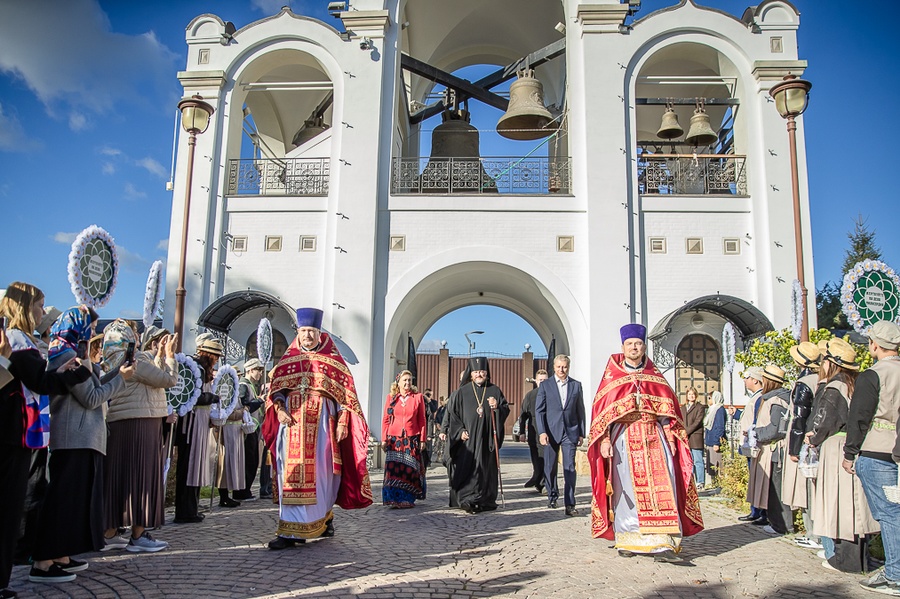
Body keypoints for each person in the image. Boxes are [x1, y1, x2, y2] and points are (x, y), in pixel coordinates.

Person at [0, 285, 92, 599]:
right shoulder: (15, 340)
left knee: (18, 505)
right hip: (14, 432)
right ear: (25, 307)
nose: (43, 311)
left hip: (26, 432)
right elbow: (39, 381)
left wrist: (66, 372)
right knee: (10, 507)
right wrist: (75, 374)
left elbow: (39, 380)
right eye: (39, 305)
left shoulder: (23, 341)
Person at [29, 308, 134, 583]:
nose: (92, 331)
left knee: (74, 501)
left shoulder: (78, 355)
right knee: (62, 501)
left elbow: (97, 386)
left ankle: (60, 553)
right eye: (90, 325)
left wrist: (119, 371)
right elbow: (91, 398)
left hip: (85, 438)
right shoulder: (65, 356)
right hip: (72, 439)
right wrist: (121, 380)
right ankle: (42, 561)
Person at [588, 323, 703, 563]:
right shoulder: (613, 375)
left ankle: (663, 542)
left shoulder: (654, 376)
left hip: (654, 436)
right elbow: (602, 413)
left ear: (644, 347)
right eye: (630, 344)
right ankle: (628, 538)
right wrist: (605, 440)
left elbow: (668, 410)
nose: (634, 347)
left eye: (638, 344)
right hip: (624, 439)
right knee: (625, 489)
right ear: (623, 347)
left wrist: (671, 435)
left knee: (663, 486)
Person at [261, 308, 372, 549]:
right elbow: (276, 390)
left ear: (319, 333)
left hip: (322, 429)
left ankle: (324, 519)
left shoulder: (333, 362)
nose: (307, 336)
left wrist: (343, 421)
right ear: (298, 333)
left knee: (323, 478)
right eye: (303, 331)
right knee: (290, 474)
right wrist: (279, 409)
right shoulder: (287, 360)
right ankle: (289, 532)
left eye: (311, 331)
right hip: (291, 426)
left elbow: (346, 396)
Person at [103, 323, 178, 552]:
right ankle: (138, 534)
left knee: (121, 477)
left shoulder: (112, 360)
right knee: (142, 477)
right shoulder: (136, 360)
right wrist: (170, 356)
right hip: (141, 422)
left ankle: (110, 532)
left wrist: (159, 356)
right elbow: (168, 380)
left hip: (121, 422)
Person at [806, 338, 878, 573]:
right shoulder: (855, 383)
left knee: (841, 502)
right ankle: (860, 556)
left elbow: (824, 421)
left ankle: (846, 560)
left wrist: (812, 437)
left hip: (837, 447)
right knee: (854, 501)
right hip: (854, 443)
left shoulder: (835, 388)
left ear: (830, 363)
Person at [843, 321, 900, 596]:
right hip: (896, 449)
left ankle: (896, 574)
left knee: (889, 514)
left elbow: (860, 418)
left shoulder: (873, 375)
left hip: (878, 449)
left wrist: (849, 453)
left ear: (874, 345)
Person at [447, 356, 510, 513]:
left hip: (486, 440)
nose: (479, 374)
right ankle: (467, 500)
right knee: (468, 469)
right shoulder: (461, 393)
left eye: (482, 371)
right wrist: (460, 431)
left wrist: (496, 408)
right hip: (467, 442)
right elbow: (453, 416)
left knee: (485, 469)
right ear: (471, 374)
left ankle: (484, 499)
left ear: (487, 372)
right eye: (476, 372)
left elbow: (504, 409)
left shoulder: (494, 390)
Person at [173, 336, 222, 523]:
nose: (216, 360)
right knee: (189, 465)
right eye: (215, 356)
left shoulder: (200, 368)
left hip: (199, 421)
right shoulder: (195, 368)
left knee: (193, 465)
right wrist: (211, 397)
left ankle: (190, 508)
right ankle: (185, 511)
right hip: (191, 423)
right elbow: (194, 396)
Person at [745, 365, 793, 535]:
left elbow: (776, 428)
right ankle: (775, 522)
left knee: (776, 489)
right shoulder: (771, 398)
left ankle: (782, 525)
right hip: (768, 447)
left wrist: (756, 433)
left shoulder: (778, 399)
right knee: (772, 488)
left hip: (774, 448)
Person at [784, 341, 823, 550]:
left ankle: (813, 533)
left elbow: (799, 417)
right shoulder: (823, 378)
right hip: (819, 436)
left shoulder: (804, 382)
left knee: (808, 488)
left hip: (805, 440)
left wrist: (793, 448)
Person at [536, 355, 585, 516]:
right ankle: (552, 495)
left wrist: (581, 433)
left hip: (570, 431)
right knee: (550, 467)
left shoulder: (576, 385)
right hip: (550, 432)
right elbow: (540, 410)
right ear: (554, 367)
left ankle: (570, 503)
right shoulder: (546, 386)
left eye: (564, 367)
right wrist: (542, 432)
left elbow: (580, 410)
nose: (561, 370)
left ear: (568, 367)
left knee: (569, 467)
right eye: (558, 367)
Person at [381, 370, 427, 508]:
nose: (407, 383)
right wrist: (384, 438)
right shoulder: (391, 398)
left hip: (410, 438)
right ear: (398, 382)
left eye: (409, 380)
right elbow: (386, 419)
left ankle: (407, 498)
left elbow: (422, 420)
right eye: (405, 380)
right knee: (394, 469)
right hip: (394, 438)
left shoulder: (417, 397)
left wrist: (423, 439)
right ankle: (394, 498)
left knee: (409, 468)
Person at [735, 366, 766, 524]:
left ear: (755, 379)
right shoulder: (754, 397)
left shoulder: (760, 397)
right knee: (753, 478)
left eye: (747, 377)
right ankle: (755, 510)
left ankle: (759, 511)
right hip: (748, 442)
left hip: (754, 442)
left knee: (757, 478)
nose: (745, 380)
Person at [234, 358, 265, 502]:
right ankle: (242, 491)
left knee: (253, 460)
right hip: (247, 428)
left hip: (254, 427)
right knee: (248, 461)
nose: (260, 373)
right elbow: (244, 406)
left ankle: (245, 490)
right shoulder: (243, 385)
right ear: (249, 370)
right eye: (258, 370)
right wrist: (259, 401)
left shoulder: (250, 385)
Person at [519, 369, 548, 494]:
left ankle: (544, 482)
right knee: (536, 458)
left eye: (545, 380)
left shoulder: (552, 394)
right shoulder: (530, 396)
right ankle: (537, 479)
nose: (542, 382)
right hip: (533, 431)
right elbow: (523, 415)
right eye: (540, 380)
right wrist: (521, 432)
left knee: (547, 458)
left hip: (548, 431)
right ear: (536, 381)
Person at [683, 387, 707, 489]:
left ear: (696, 395)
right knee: (688, 461)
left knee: (698, 460)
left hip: (695, 437)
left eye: (693, 394)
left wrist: (687, 431)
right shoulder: (683, 407)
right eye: (689, 394)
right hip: (686, 437)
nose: (691, 396)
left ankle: (700, 482)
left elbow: (698, 422)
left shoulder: (700, 407)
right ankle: (690, 481)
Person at [703, 391, 727, 484]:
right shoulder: (712, 409)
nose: (708, 400)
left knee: (718, 464)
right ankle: (714, 484)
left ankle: (719, 484)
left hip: (715, 442)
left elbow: (720, 427)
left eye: (710, 398)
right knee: (711, 464)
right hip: (710, 441)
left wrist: (717, 442)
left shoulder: (719, 409)